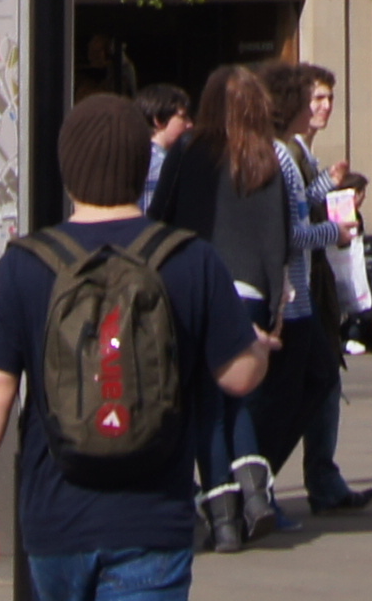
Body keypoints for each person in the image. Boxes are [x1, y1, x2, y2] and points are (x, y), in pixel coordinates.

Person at [0, 89, 272, 601]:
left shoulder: (25, 264)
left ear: (68, 168)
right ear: (143, 167)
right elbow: (239, 376)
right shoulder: (190, 258)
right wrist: (257, 346)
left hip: (55, 519)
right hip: (152, 520)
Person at [145, 69, 296, 539]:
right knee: (239, 396)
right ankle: (255, 493)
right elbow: (278, 238)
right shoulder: (266, 156)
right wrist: (274, 305)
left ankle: (224, 518)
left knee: (205, 404)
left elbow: (160, 216)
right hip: (250, 292)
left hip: (196, 287)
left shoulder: (188, 151)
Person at [262, 61, 372, 518]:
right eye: (316, 98)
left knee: (316, 382)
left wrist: (327, 183)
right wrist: (334, 231)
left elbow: (298, 206)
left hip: (302, 292)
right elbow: (290, 229)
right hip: (292, 296)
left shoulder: (295, 154)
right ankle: (259, 483)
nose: (324, 106)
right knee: (303, 387)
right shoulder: (284, 154)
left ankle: (294, 480)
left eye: (329, 98)